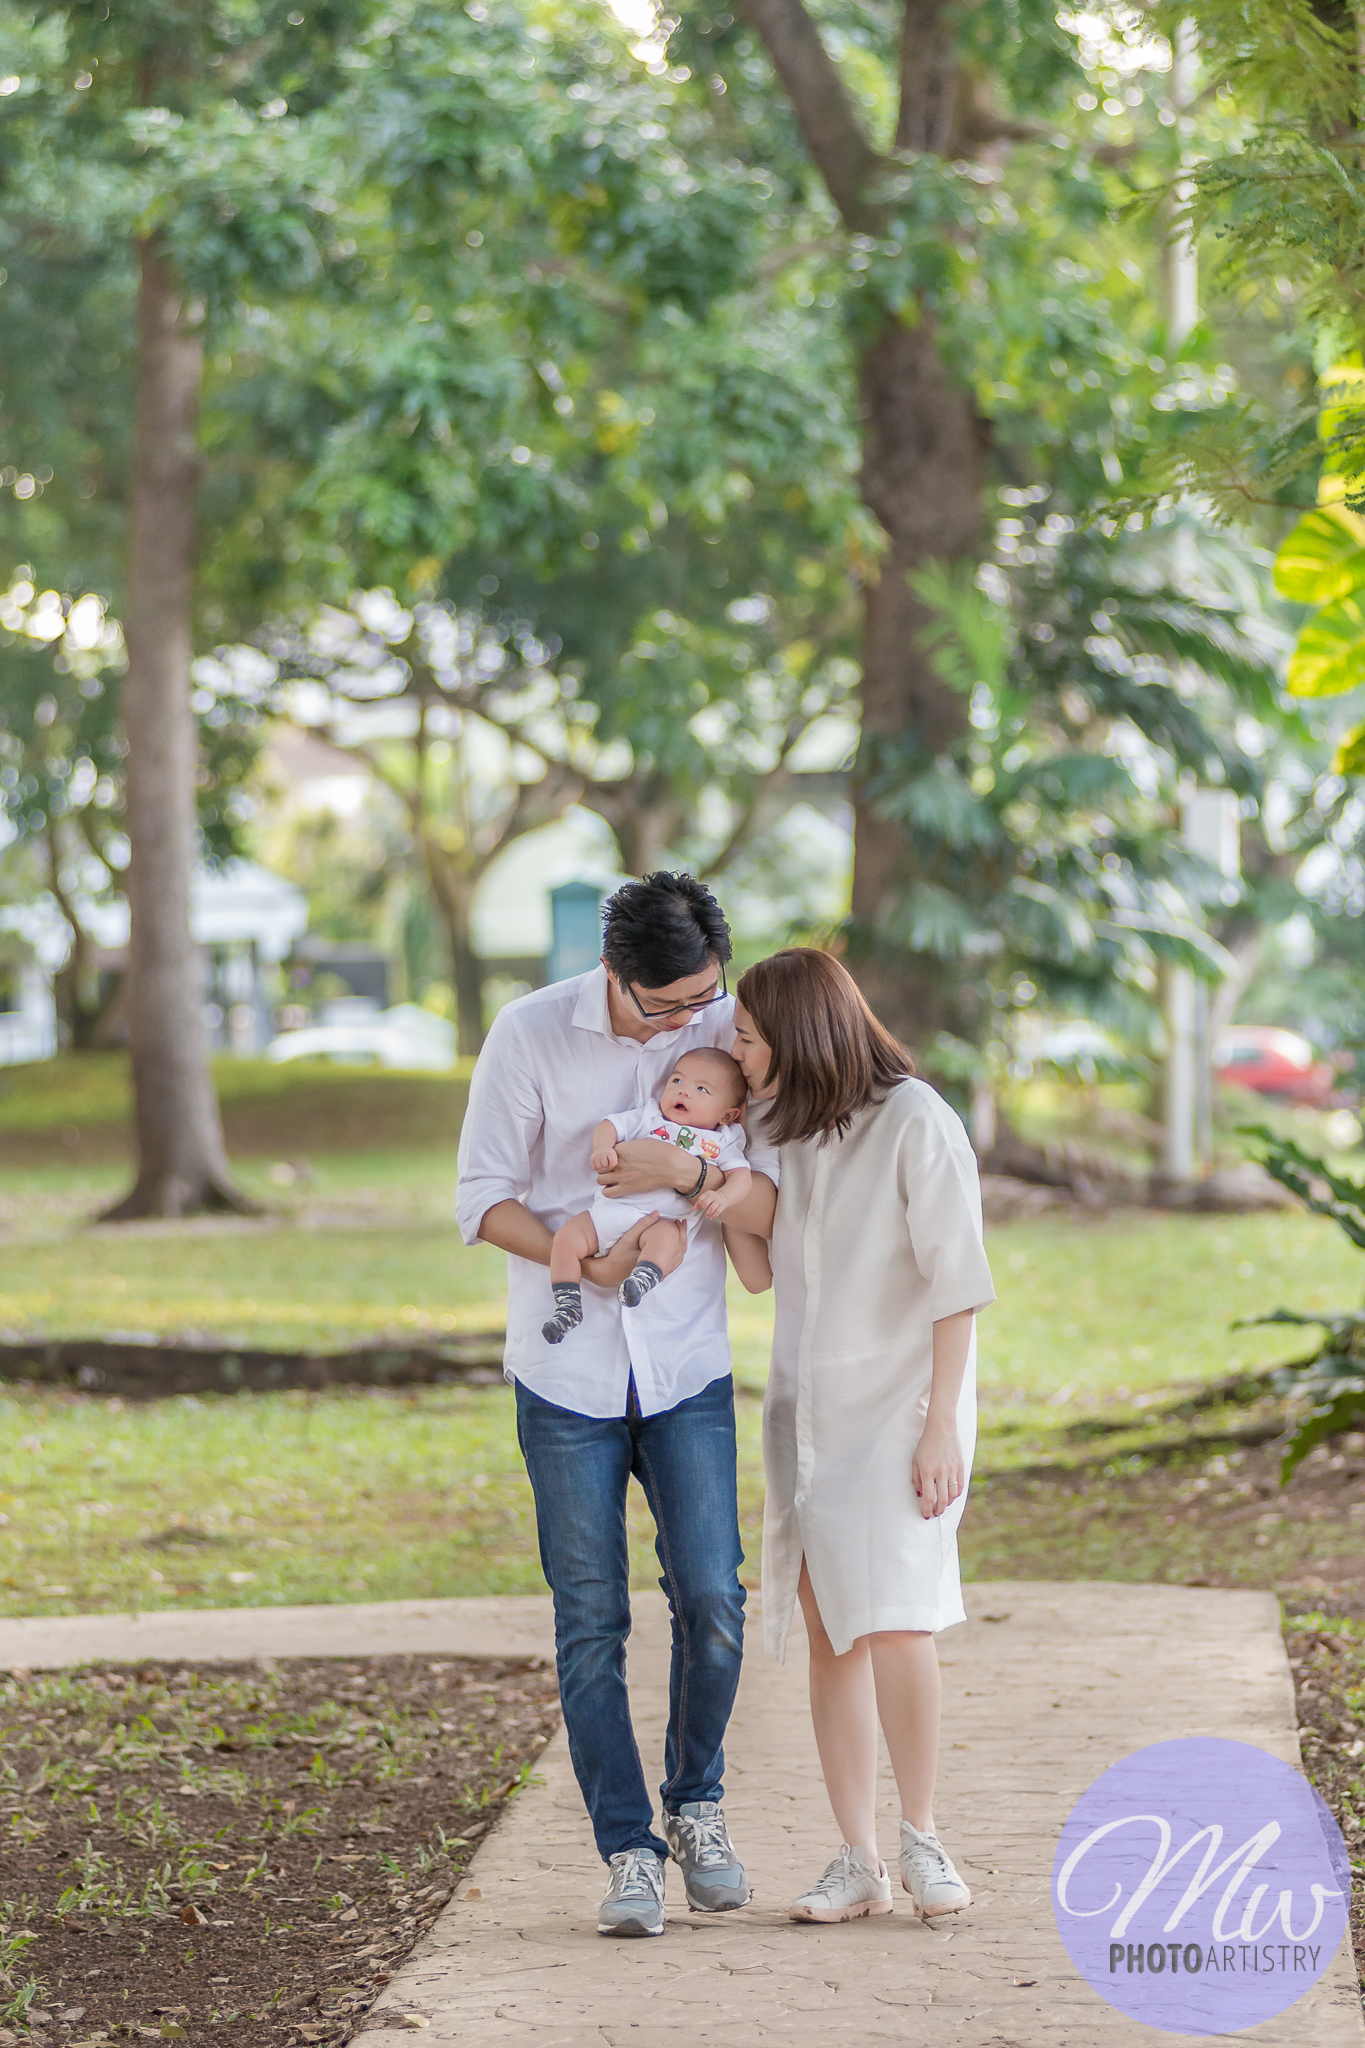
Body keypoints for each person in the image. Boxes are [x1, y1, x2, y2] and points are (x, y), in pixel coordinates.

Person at [455, 873, 778, 1939]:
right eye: (667, 1006)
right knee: (591, 1618)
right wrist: (585, 1261)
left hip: (686, 1365)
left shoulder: (736, 1026)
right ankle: (629, 1849)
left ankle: (698, 1804)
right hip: (567, 1378)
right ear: (615, 973)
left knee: (714, 1599)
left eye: (704, 998)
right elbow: (482, 1196)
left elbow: (767, 1188)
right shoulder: (531, 1031)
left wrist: (680, 1177)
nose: (694, 1021)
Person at [726, 947, 995, 1926]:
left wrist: (939, 1426)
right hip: (807, 1409)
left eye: (749, 1037)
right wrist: (703, 1182)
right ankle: (858, 1855)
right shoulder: (780, 1125)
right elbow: (761, 1272)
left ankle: (923, 1833)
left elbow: (958, 1284)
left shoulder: (918, 1121)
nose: (738, 1053)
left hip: (902, 1405)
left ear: (797, 1033)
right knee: (832, 1624)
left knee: (896, 1614)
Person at [541, 1047, 752, 1343]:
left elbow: (742, 1177)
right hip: (604, 1216)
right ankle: (567, 1304)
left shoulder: (720, 1142)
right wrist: (603, 1147)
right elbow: (610, 1125)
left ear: (728, 1114)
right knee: (565, 1238)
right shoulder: (650, 1117)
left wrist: (724, 1197)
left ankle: (642, 1279)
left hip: (658, 1222)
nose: (684, 1092)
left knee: (667, 1238)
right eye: (677, 1081)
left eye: (701, 1089)